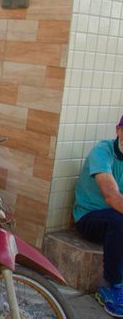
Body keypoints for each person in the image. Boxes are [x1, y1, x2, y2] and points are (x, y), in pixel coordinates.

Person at [74, 117, 123, 317]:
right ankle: (112, 287)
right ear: (118, 130)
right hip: (89, 216)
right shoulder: (102, 152)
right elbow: (112, 198)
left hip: (115, 215)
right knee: (119, 222)